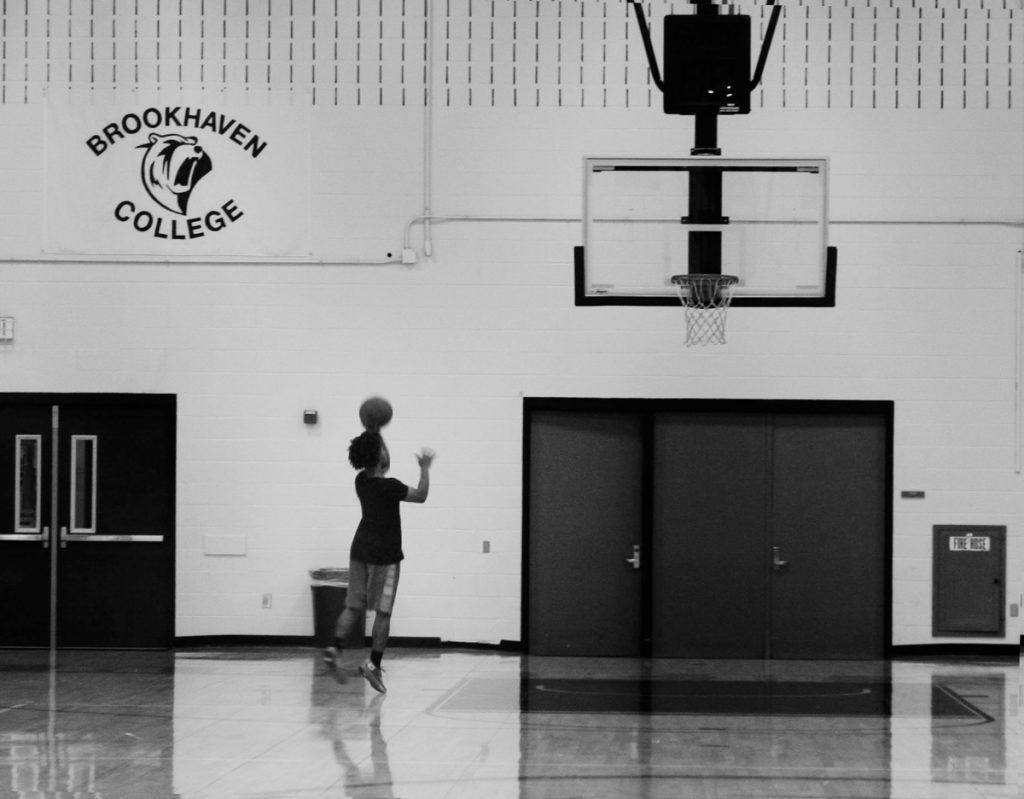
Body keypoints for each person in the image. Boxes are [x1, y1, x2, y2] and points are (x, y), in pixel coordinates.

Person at [325, 431, 434, 693]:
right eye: (383, 449)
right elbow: (421, 495)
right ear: (377, 456)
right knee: (383, 612)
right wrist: (425, 468)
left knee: (353, 607)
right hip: (384, 556)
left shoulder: (360, 481)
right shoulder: (391, 487)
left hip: (359, 551)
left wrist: (375, 435)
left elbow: (380, 465)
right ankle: (373, 664)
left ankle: (334, 648)